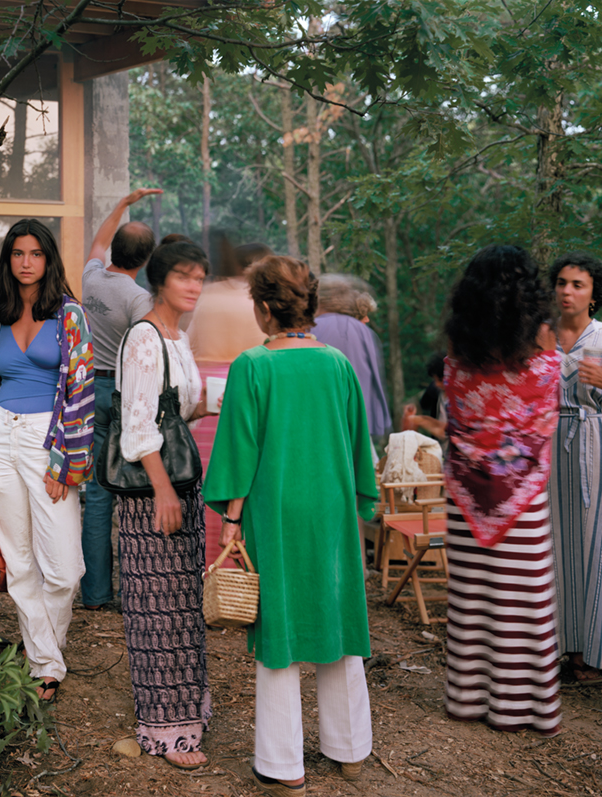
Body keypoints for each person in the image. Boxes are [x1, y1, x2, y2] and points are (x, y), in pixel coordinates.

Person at [204, 255, 376, 795]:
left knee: (278, 630)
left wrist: (231, 521)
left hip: (275, 512)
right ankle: (349, 751)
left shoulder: (253, 366)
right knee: (337, 618)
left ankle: (283, 766)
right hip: (331, 511)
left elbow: (237, 452)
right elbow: (358, 447)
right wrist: (360, 502)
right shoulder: (338, 365)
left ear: (261, 308)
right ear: (310, 306)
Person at [441, 244, 561, 734]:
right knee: (524, 600)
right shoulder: (541, 337)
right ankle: (521, 708)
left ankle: (467, 700)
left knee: (471, 597)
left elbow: (456, 400)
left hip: (467, 492)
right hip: (522, 493)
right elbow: (544, 401)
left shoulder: (460, 343)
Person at [0, 219, 94, 703]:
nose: (26, 263)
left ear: (49, 259)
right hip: (0, 437)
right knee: (19, 561)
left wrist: (65, 463)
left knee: (65, 569)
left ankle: (45, 651)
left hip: (49, 443)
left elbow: (82, 391)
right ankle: (44, 664)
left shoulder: (69, 314)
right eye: (17, 254)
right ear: (8, 262)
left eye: (35, 254)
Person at [116, 241, 214, 769]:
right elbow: (137, 425)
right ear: (160, 279)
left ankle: (185, 718)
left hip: (179, 483)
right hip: (153, 493)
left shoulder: (178, 336)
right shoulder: (146, 338)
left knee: (181, 609)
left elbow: (181, 411)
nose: (194, 285)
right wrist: (162, 490)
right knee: (157, 613)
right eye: (183, 276)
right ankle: (164, 732)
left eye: (200, 276)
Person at [79, 188, 160, 610]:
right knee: (133, 490)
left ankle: (95, 593)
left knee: (96, 494)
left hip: (88, 387)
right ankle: (139, 587)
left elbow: (98, 240)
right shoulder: (139, 300)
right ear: (146, 260)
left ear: (115, 250)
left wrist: (121, 205)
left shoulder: (91, 277)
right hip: (122, 394)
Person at [187, 240, 271, 569]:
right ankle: (243, 571)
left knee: (208, 480)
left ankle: (208, 571)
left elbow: (189, 342)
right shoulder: (255, 301)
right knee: (244, 477)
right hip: (246, 386)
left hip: (207, 393)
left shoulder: (208, 296)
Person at [549, 250, 602, 685]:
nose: (567, 291)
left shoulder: (601, 337)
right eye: (562, 283)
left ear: (592, 293)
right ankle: (558, 648)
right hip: (548, 450)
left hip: (593, 447)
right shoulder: (539, 337)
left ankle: (593, 654)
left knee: (592, 546)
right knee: (553, 548)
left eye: (577, 284)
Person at [312, 273, 391, 443]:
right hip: (359, 421)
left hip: (320, 421)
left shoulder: (311, 327)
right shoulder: (363, 331)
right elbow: (374, 381)